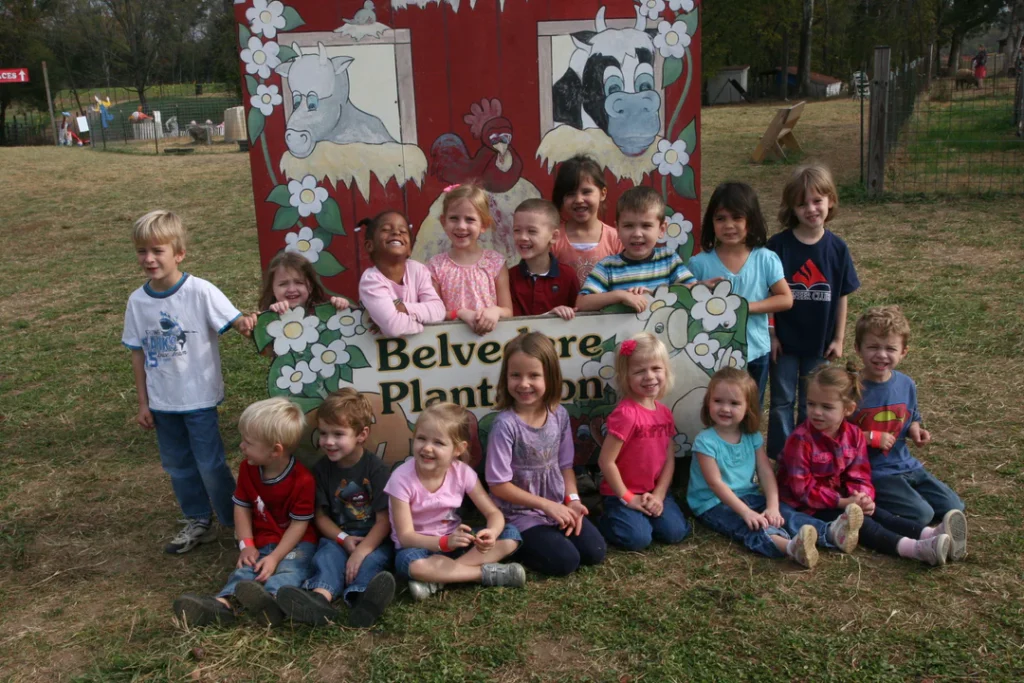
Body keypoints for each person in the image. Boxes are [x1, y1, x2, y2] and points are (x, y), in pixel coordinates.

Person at [122, 209, 251, 554]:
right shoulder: (137, 302)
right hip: (163, 404)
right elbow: (137, 353)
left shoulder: (200, 291)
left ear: (179, 253)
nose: (148, 259)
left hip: (199, 398)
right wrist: (143, 403)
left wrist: (246, 324)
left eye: (157, 250)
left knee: (210, 464)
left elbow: (236, 320)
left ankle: (235, 521)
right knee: (178, 465)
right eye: (141, 251)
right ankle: (198, 519)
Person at [776, 366, 966, 567]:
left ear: (848, 409)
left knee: (881, 514)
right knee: (864, 525)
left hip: (844, 498)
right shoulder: (800, 440)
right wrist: (843, 502)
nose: (816, 412)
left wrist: (863, 497)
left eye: (827, 407)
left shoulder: (854, 435)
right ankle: (915, 549)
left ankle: (931, 533)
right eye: (811, 404)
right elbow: (802, 490)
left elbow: (860, 474)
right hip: (808, 506)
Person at [688, 368, 862, 569]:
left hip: (748, 495)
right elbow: (715, 484)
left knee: (784, 513)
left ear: (748, 407)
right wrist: (747, 512)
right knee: (753, 525)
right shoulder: (705, 441)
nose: (725, 408)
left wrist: (772, 505)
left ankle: (831, 533)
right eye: (718, 401)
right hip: (713, 503)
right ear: (708, 402)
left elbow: (766, 472)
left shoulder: (751, 437)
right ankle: (790, 547)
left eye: (734, 403)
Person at [172, 398, 318, 626]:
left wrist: (275, 557)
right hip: (262, 540)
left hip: (297, 544)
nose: (241, 446)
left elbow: (299, 525)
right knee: (244, 571)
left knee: (291, 569)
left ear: (275, 451)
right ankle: (222, 605)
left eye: (248, 443)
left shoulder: (303, 480)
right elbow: (241, 506)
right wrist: (246, 544)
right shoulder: (247, 468)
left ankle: (273, 601)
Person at [486, 333, 606, 575]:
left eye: (534, 375)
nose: (524, 384)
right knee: (565, 561)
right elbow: (498, 485)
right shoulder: (505, 425)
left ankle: (549, 536)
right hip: (519, 513)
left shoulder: (558, 414)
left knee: (595, 550)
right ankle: (514, 543)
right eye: (515, 375)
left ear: (550, 377)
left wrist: (572, 500)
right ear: (505, 378)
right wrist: (547, 506)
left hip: (556, 506)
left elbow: (565, 466)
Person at [277, 389, 397, 628]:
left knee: (371, 563)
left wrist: (362, 551)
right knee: (327, 557)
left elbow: (385, 521)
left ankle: (364, 601)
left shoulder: (376, 469)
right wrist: (343, 540)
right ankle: (319, 599)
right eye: (323, 433)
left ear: (362, 434)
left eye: (338, 434)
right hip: (338, 537)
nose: (328, 442)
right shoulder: (321, 470)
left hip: (374, 540)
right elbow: (320, 516)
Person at [385, 403, 526, 600]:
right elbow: (406, 536)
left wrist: (491, 533)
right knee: (411, 564)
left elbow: (493, 514)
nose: (427, 448)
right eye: (421, 438)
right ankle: (482, 574)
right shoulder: (400, 479)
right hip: (419, 548)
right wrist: (444, 543)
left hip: (457, 542)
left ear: (458, 449)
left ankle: (439, 579)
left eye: (438, 443)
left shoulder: (462, 472)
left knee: (511, 535)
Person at [767, 164, 859, 458]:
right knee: (782, 400)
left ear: (830, 201)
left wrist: (839, 338)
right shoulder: (778, 247)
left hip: (819, 343)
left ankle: (809, 454)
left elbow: (842, 294)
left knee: (813, 401)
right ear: (791, 207)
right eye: (802, 203)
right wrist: (772, 335)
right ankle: (783, 456)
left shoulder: (837, 249)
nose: (810, 208)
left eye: (817, 200)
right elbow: (765, 294)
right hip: (784, 342)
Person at [851, 306, 966, 536]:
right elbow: (834, 433)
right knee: (922, 514)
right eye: (873, 347)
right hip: (874, 471)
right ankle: (871, 504)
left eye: (890, 348)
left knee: (954, 506)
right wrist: (869, 437)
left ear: (903, 352)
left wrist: (915, 429)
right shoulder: (851, 388)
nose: (881, 355)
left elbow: (911, 414)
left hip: (907, 464)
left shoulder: (906, 384)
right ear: (858, 349)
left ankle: (909, 499)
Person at [688, 182, 793, 403]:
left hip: (756, 350)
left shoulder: (765, 258)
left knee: (751, 410)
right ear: (711, 223)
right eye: (720, 218)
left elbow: (785, 299)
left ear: (751, 220)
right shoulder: (699, 263)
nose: (729, 225)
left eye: (737, 217)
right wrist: (698, 290)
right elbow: (687, 302)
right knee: (716, 409)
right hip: (712, 353)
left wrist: (745, 308)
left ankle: (750, 440)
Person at [597, 333, 691, 550]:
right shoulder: (626, 414)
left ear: (665, 371)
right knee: (638, 539)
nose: (649, 376)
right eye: (639, 371)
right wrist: (628, 498)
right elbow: (606, 462)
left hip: (653, 491)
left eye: (656, 369)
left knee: (675, 532)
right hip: (621, 494)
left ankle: (646, 515)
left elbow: (669, 459)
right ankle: (604, 518)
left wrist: (659, 494)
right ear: (625, 376)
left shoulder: (664, 413)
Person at [577, 187, 697, 313]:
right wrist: (620, 296)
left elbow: (692, 290)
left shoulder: (668, 259)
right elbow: (582, 303)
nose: (637, 233)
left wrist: (654, 294)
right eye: (628, 226)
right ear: (617, 229)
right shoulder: (608, 266)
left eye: (646, 226)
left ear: (661, 229)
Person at [427, 183, 514, 334]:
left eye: (470, 219)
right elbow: (433, 313)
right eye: (454, 218)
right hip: (452, 345)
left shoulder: (496, 263)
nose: (461, 226)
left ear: (484, 224)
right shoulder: (435, 266)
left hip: (491, 344)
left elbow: (508, 311)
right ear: (443, 222)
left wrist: (496, 311)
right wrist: (459, 313)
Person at [358, 210, 445, 336]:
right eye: (386, 229)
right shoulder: (371, 280)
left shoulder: (418, 271)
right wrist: (423, 326)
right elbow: (394, 327)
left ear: (409, 249)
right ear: (370, 245)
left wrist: (404, 308)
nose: (396, 232)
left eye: (403, 231)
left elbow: (438, 311)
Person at [550, 154, 623, 287]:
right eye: (570, 194)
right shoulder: (553, 239)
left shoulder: (616, 239)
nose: (578, 199)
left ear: (603, 193)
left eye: (586, 192)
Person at [240, 251, 350, 334]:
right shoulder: (269, 316)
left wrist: (340, 307)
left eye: (299, 282)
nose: (292, 289)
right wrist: (266, 319)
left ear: (310, 286)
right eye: (283, 284)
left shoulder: (323, 311)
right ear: (272, 289)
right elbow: (267, 351)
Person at [508, 199, 579, 319]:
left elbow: (582, 316)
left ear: (554, 236)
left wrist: (567, 312)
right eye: (517, 230)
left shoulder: (568, 275)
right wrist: (548, 316)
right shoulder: (510, 277)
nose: (523, 237)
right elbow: (512, 322)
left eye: (532, 231)